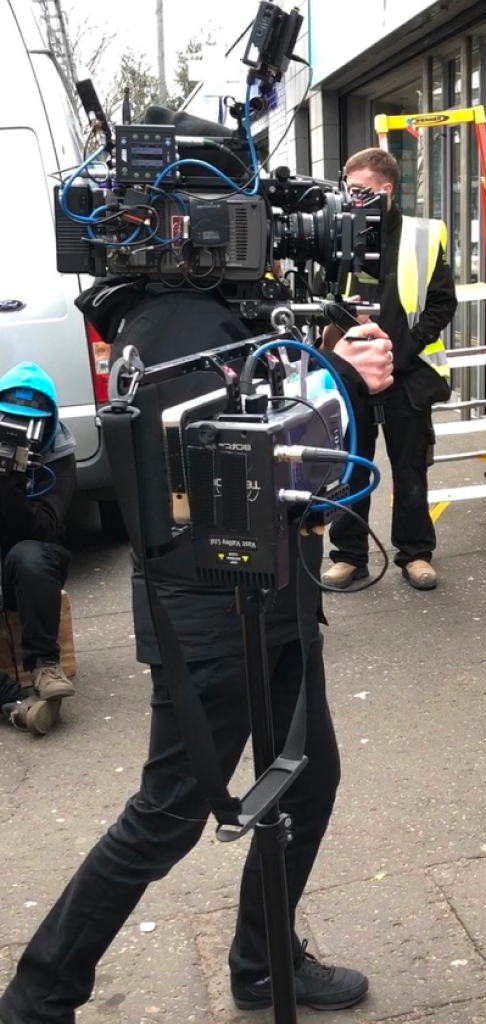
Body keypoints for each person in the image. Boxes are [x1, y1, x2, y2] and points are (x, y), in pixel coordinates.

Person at [0, 290, 395, 1024]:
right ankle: (36, 998)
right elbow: (228, 468)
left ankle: (261, 965)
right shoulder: (177, 317)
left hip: (270, 590)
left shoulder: (204, 304)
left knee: (306, 782)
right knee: (169, 811)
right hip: (213, 611)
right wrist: (336, 380)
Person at [321, 147, 458, 591]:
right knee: (350, 467)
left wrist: (402, 352)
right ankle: (348, 557)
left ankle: (415, 554)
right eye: (347, 189)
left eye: (360, 190)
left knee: (409, 468)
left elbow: (441, 304)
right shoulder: (337, 230)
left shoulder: (423, 234)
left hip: (407, 374)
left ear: (387, 190)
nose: (351, 197)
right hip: (352, 374)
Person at [0, 362, 76, 737]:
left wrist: (12, 483)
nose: (21, 434)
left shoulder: (59, 455)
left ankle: (45, 666)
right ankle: (13, 701)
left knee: (31, 554)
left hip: (31, 567)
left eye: (30, 425)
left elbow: (46, 529)